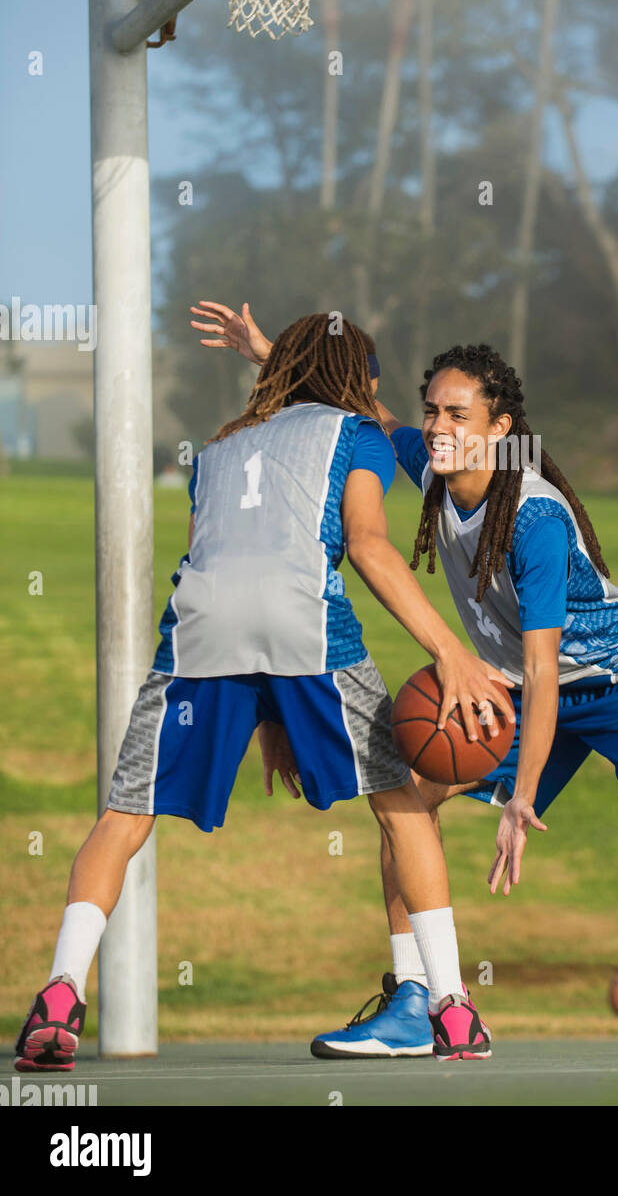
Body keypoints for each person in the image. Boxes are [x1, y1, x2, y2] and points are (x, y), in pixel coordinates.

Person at [192, 302, 618, 1059]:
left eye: (458, 412)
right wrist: (273, 358)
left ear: (500, 429)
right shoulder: (436, 468)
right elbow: (361, 414)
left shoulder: (533, 520)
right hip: (518, 680)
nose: (439, 425)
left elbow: (546, 670)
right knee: (406, 799)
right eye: (432, 411)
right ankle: (415, 998)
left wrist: (522, 796)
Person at [15, 315, 514, 1073]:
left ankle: (57, 996)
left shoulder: (216, 447)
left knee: (123, 816)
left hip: (199, 632)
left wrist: (268, 714)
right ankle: (450, 1006)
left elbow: (211, 552)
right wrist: (449, 652)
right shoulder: (357, 434)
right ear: (357, 379)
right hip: (306, 629)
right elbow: (370, 546)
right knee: (402, 805)